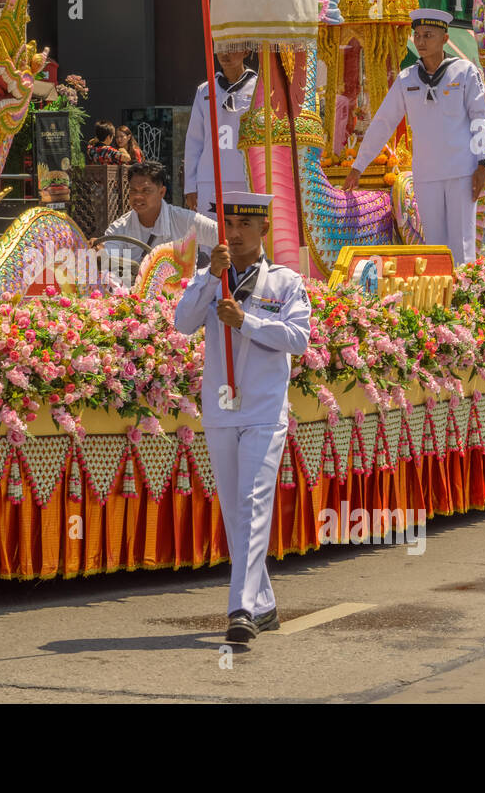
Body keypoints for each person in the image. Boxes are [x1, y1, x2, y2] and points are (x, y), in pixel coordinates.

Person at [173, 191, 312, 644]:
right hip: (221, 406)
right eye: (229, 226)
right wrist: (211, 279)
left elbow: (297, 340)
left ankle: (241, 608)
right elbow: (183, 323)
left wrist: (245, 321)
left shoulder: (286, 283)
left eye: (245, 226)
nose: (234, 234)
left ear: (264, 231)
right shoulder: (210, 277)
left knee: (252, 502)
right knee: (235, 510)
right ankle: (265, 603)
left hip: (263, 409)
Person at [345, 9, 485, 266]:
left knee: (463, 244)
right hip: (427, 174)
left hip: (462, 171)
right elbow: (383, 122)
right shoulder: (406, 78)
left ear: (445, 39)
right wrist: (358, 165)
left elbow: (480, 118)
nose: (420, 42)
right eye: (418, 35)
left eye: (428, 36)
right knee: (435, 245)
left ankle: (467, 301)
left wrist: (483, 162)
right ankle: (442, 301)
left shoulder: (465, 72)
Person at [102, 162, 217, 284]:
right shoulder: (117, 230)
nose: (138, 196)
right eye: (133, 190)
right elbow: (109, 271)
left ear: (161, 192)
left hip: (182, 300)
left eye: (145, 191)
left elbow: (222, 236)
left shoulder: (186, 220)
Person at [184, 51, 258, 217]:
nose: (225, 53)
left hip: (247, 178)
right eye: (221, 46)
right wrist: (190, 185)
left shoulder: (260, 87)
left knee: (247, 235)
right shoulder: (205, 90)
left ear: (246, 50)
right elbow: (194, 141)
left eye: (232, 47)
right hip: (209, 179)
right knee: (210, 237)